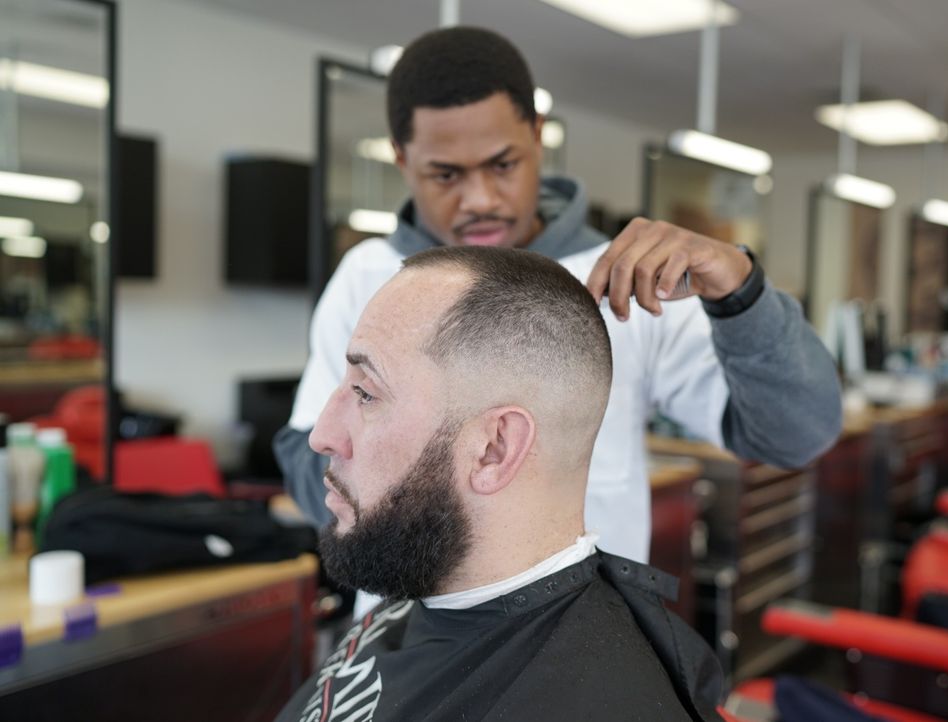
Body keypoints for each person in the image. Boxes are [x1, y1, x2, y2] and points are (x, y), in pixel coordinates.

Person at [275, 26, 842, 565]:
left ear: (537, 136)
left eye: (503, 165)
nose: (480, 199)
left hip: (580, 646)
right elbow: (308, 460)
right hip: (405, 645)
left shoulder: (631, 280)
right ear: (402, 159)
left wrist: (741, 295)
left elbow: (795, 437)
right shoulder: (368, 275)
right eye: (446, 175)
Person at [273, 246, 727, 722]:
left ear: (494, 449)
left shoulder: (596, 701)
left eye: (366, 393)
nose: (323, 436)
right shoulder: (415, 593)